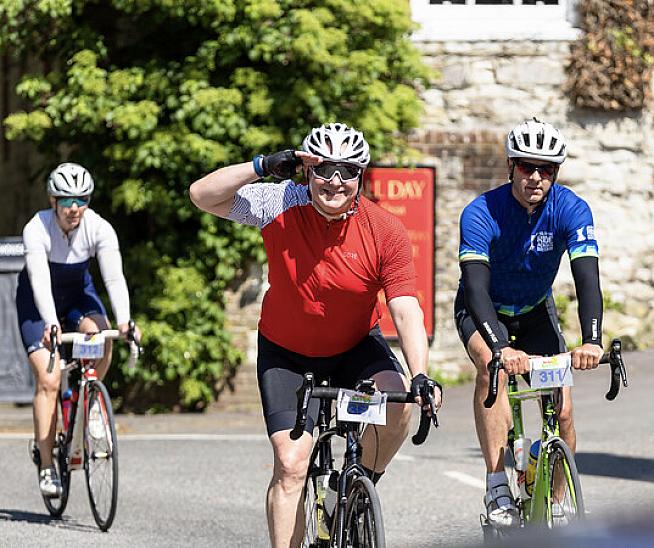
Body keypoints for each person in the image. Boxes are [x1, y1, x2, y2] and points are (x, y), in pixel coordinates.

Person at [190, 122, 442, 547]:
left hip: (354, 347)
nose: (335, 181)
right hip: (286, 352)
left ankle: (355, 486)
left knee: (398, 405)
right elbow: (202, 195)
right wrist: (262, 166)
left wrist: (420, 374)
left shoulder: (384, 229)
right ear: (307, 171)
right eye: (324, 169)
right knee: (291, 465)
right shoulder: (281, 202)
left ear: (361, 175)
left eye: (348, 171)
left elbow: (404, 307)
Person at [455, 118, 604, 528]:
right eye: (526, 166)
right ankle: (496, 483)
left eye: (547, 169)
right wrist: (501, 348)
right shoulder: (481, 212)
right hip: (484, 309)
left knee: (563, 411)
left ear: (556, 172)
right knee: (493, 369)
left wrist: (592, 339)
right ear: (510, 166)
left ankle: (555, 501)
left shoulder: (571, 209)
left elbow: (587, 277)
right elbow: (476, 287)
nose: (536, 177)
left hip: (536, 309)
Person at [16, 162, 140, 497]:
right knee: (49, 380)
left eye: (81, 200)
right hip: (38, 302)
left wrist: (125, 320)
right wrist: (51, 323)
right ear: (53, 201)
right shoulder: (37, 228)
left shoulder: (99, 227)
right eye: (67, 201)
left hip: (77, 297)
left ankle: (92, 403)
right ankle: (46, 464)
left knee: (103, 335)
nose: (74, 208)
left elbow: (113, 277)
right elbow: (39, 280)